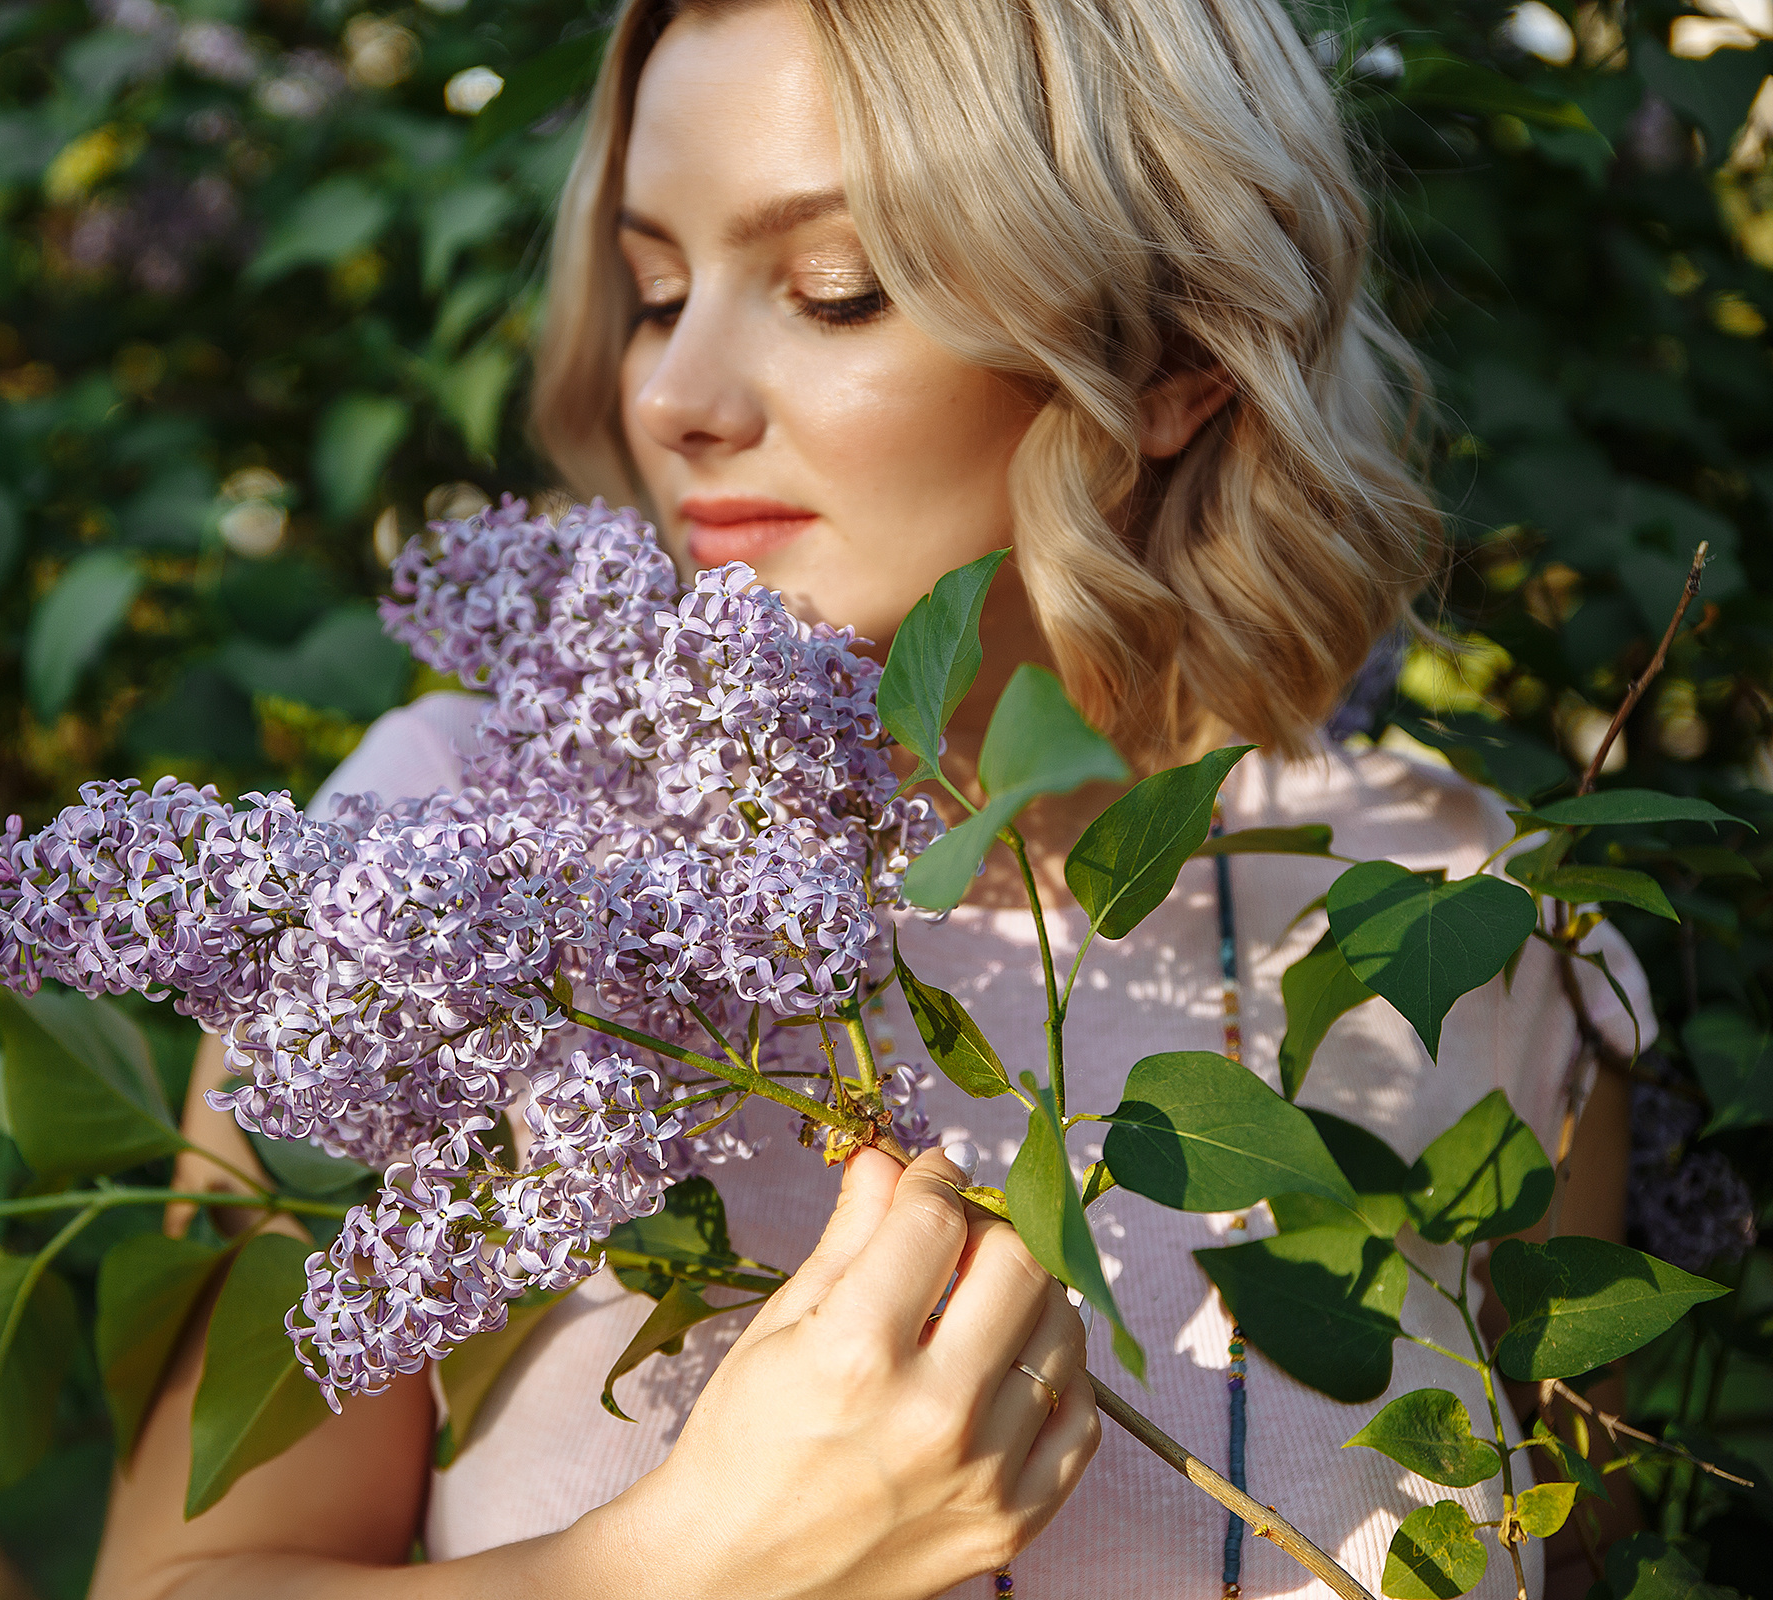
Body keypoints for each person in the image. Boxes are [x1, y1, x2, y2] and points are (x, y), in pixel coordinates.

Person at [88, 2, 1649, 1596]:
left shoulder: (1460, 930)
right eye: (655, 294)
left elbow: (1566, 1538)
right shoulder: (432, 859)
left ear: (1174, 357)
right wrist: (686, 1566)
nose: (677, 396)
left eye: (837, 290)